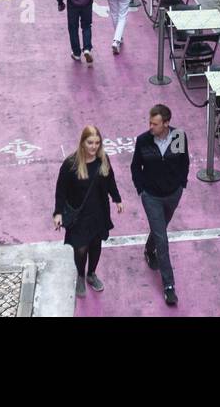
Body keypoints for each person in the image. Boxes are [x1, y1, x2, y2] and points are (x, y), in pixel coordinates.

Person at [53, 125, 123, 298]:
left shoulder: (103, 160)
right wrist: (58, 213)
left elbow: (110, 181)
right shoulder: (71, 164)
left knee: (96, 245)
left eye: (97, 143)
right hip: (79, 216)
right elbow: (60, 190)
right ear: (82, 143)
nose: (94, 147)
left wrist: (117, 199)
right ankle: (81, 275)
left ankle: (92, 273)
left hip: (99, 212)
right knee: (81, 249)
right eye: (90, 142)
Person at [130, 104, 188, 307]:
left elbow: (184, 162)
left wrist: (182, 184)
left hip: (173, 194)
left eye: (154, 123)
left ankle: (148, 248)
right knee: (162, 239)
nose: (150, 127)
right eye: (149, 122)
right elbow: (135, 166)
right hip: (151, 196)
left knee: (160, 229)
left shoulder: (179, 136)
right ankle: (169, 287)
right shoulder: (143, 140)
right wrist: (141, 190)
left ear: (166, 123)